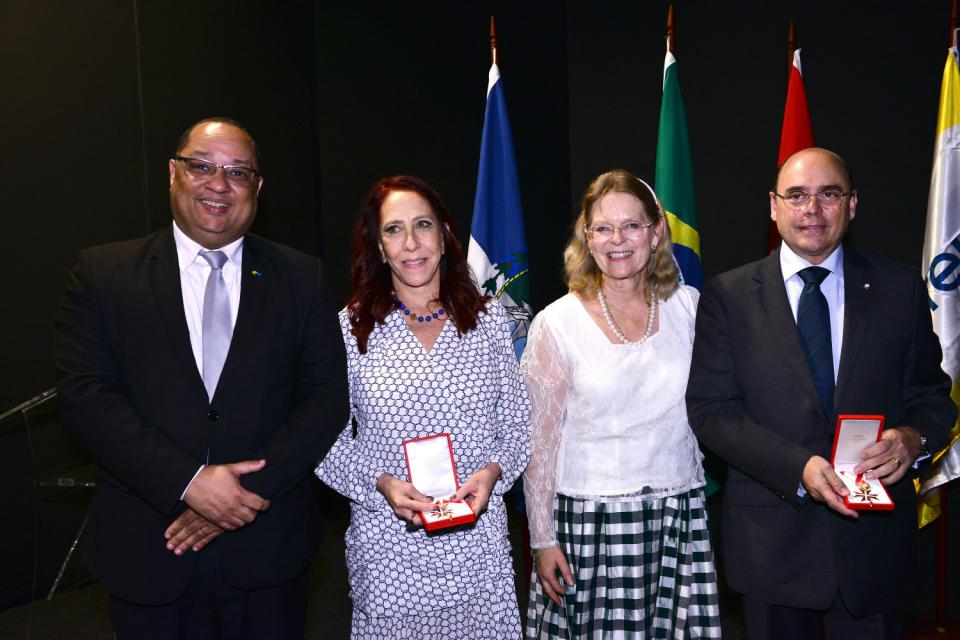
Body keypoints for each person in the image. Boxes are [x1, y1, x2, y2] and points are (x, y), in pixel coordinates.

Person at [53, 117, 349, 639]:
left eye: (237, 172)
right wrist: (188, 484)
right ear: (173, 173)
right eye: (202, 167)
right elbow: (85, 396)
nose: (219, 184)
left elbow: (326, 400)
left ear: (257, 188)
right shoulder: (104, 274)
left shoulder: (303, 278)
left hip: (268, 552)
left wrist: (236, 498)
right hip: (151, 548)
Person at [686, 147, 956, 639]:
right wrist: (798, 468)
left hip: (875, 553)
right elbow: (711, 411)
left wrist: (913, 438)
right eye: (797, 195)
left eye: (829, 194)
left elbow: (934, 396)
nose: (812, 209)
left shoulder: (900, 289)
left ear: (852, 205)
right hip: (773, 552)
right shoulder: (728, 296)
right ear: (773, 205)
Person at [315, 175, 531, 639]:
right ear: (377, 246)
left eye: (423, 225)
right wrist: (380, 484)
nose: (411, 243)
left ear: (445, 236)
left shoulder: (490, 320)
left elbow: (517, 425)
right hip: (390, 558)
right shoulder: (349, 330)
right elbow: (322, 442)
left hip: (480, 557)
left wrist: (493, 473)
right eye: (393, 229)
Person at [522, 169, 721, 638]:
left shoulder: (690, 307)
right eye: (604, 228)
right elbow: (539, 444)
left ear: (655, 234)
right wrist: (542, 539)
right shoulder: (557, 324)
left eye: (632, 225)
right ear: (587, 238)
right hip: (589, 525)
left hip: (679, 514)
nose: (618, 240)